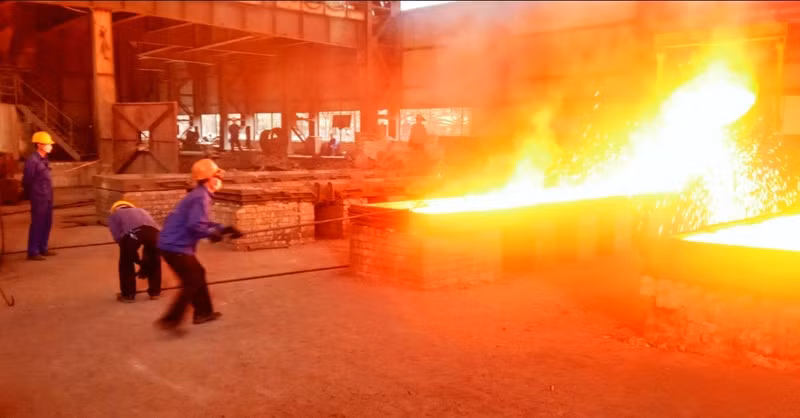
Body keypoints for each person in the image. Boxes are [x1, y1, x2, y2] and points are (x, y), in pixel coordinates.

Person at [155, 158, 242, 332]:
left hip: (173, 244)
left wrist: (224, 229)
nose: (220, 179)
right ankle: (171, 319)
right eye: (217, 175)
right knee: (192, 281)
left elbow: (201, 222)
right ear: (209, 178)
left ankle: (204, 312)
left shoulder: (200, 194)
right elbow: (195, 225)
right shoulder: (201, 197)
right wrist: (211, 234)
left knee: (198, 274)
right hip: (175, 246)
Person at [108, 200, 162, 303]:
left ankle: (128, 295)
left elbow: (118, 237)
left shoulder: (115, 214)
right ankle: (155, 292)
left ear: (115, 209)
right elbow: (151, 228)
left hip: (133, 234)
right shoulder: (141, 210)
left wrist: (133, 257)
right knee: (154, 260)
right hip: (155, 234)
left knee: (125, 262)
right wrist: (143, 262)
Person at [22, 131, 56, 261]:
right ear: (40, 145)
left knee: (47, 222)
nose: (50, 146)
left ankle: (43, 248)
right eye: (48, 144)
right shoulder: (32, 161)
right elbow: (27, 180)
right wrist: (29, 195)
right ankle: (33, 251)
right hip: (38, 197)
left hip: (47, 196)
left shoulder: (44, 159)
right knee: (38, 223)